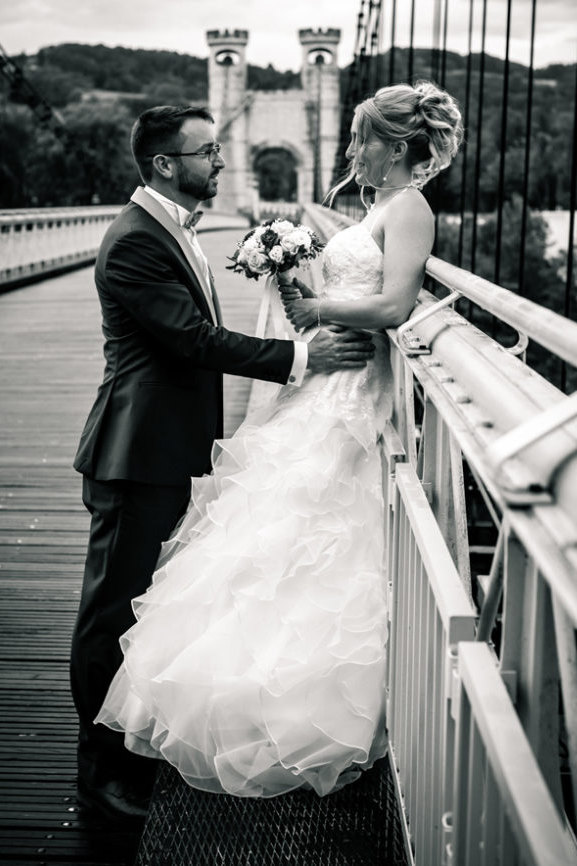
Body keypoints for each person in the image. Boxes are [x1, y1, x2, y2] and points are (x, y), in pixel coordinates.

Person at [95, 82, 463, 800]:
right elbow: (354, 298)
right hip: (328, 385)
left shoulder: (409, 207)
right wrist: (299, 285)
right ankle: (256, 708)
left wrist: (316, 300)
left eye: (360, 138)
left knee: (319, 541)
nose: (351, 149)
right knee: (283, 540)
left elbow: (391, 303)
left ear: (393, 145)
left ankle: (291, 711)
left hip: (353, 393)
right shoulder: (376, 207)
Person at [70, 105, 374, 821]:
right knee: (112, 610)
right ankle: (99, 767)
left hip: (164, 445)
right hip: (134, 452)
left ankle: (127, 749)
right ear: (167, 165)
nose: (221, 163)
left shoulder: (170, 226)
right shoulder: (135, 243)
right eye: (208, 152)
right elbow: (192, 340)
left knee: (142, 603)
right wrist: (303, 358)